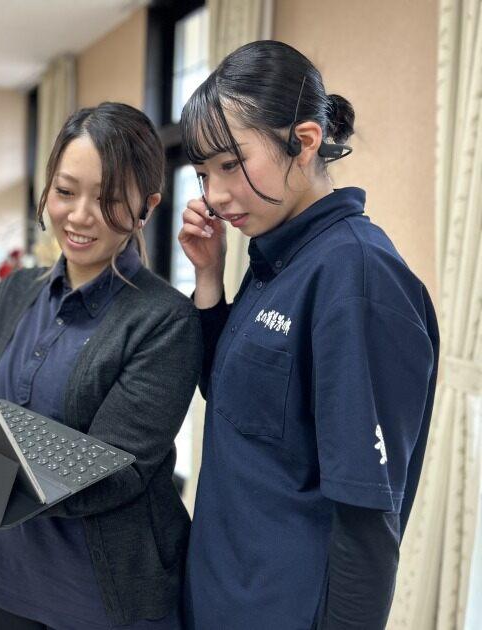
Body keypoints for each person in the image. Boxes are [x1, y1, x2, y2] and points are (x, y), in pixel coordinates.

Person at [0, 102, 204, 629]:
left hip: (104, 598)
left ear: (147, 206)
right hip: (3, 575)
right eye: (66, 192)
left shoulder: (165, 320)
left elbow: (116, 473)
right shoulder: (16, 291)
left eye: (108, 198)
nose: (81, 215)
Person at [178, 41, 439, 629]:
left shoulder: (358, 278)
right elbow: (231, 398)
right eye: (202, 173)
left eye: (230, 164)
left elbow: (368, 518)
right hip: (220, 585)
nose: (214, 196)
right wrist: (210, 280)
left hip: (282, 608)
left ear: (305, 142)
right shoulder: (275, 256)